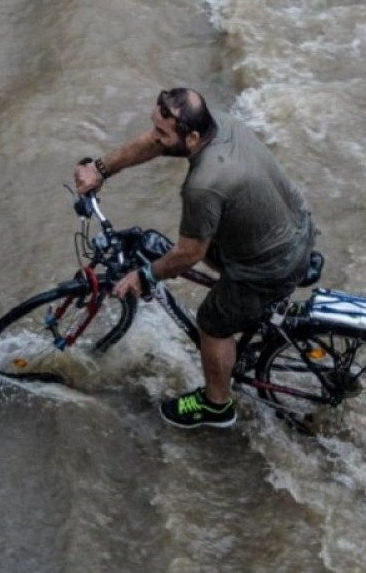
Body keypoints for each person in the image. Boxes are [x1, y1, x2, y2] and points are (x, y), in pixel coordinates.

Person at [73, 88, 316, 429]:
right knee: (202, 251)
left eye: (162, 133)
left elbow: (190, 254)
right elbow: (153, 143)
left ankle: (216, 405)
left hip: (274, 262)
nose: (154, 138)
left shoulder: (203, 185)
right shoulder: (217, 123)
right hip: (295, 225)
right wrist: (101, 169)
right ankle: (248, 312)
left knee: (213, 322)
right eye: (154, 127)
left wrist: (144, 277)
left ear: (192, 137)